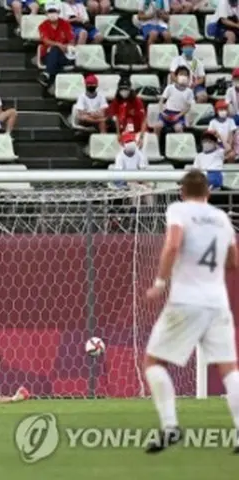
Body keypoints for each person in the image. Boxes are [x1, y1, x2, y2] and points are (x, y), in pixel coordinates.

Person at [144, 169, 239, 454]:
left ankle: (171, 427)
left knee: (153, 362)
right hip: (217, 301)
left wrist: (160, 282)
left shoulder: (179, 210)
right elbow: (234, 260)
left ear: (182, 192)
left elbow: (173, 244)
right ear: (208, 193)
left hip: (186, 300)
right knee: (230, 369)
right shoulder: (222, 218)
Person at [37, 1, 74, 88]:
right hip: (47, 55)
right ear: (46, 13)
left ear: (58, 12)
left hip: (64, 55)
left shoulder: (65, 24)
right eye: (50, 11)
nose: (52, 13)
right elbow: (45, 40)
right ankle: (53, 84)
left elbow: (72, 40)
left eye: (54, 11)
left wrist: (66, 46)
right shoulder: (43, 25)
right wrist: (58, 44)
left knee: (56, 50)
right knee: (55, 49)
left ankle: (47, 74)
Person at [154, 65, 194, 135]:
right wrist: (162, 112)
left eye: (185, 75)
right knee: (157, 126)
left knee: (178, 128)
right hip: (166, 113)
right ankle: (156, 145)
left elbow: (188, 107)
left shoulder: (189, 92)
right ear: (176, 76)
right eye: (181, 74)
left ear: (188, 78)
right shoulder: (170, 88)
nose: (183, 76)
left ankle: (179, 145)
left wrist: (178, 116)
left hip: (179, 115)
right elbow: (161, 101)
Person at [169, 36, 207, 103]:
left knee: (203, 96)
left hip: (194, 86)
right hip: (179, 85)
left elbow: (202, 78)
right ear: (182, 48)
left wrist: (195, 84)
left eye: (190, 47)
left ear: (194, 48)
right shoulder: (177, 60)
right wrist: (181, 83)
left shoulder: (197, 62)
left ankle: (195, 110)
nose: (188, 48)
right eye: (186, 47)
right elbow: (172, 75)